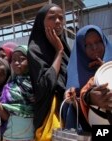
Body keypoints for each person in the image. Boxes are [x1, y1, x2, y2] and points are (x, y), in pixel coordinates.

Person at [27, 3, 71, 140]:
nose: (58, 21)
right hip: (49, 114)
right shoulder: (35, 50)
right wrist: (58, 53)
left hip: (69, 110)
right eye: (52, 18)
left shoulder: (66, 47)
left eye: (61, 18)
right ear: (41, 22)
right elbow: (44, 86)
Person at [65, 25, 112, 130]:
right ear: (81, 48)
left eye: (98, 42)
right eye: (88, 45)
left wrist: (105, 71)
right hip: (89, 129)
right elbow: (70, 107)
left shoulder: (109, 66)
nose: (94, 47)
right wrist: (88, 98)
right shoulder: (75, 71)